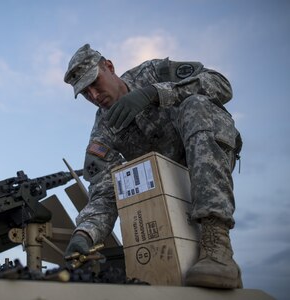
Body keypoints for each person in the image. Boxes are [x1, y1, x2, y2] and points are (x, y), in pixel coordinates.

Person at [63, 44, 243, 289]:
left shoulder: (152, 73)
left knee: (196, 105)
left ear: (109, 67)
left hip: (207, 155)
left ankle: (217, 245)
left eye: (95, 83)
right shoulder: (103, 131)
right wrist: (84, 234)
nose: (93, 96)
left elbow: (220, 84)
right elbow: (106, 191)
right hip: (165, 186)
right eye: (85, 93)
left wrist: (155, 93)